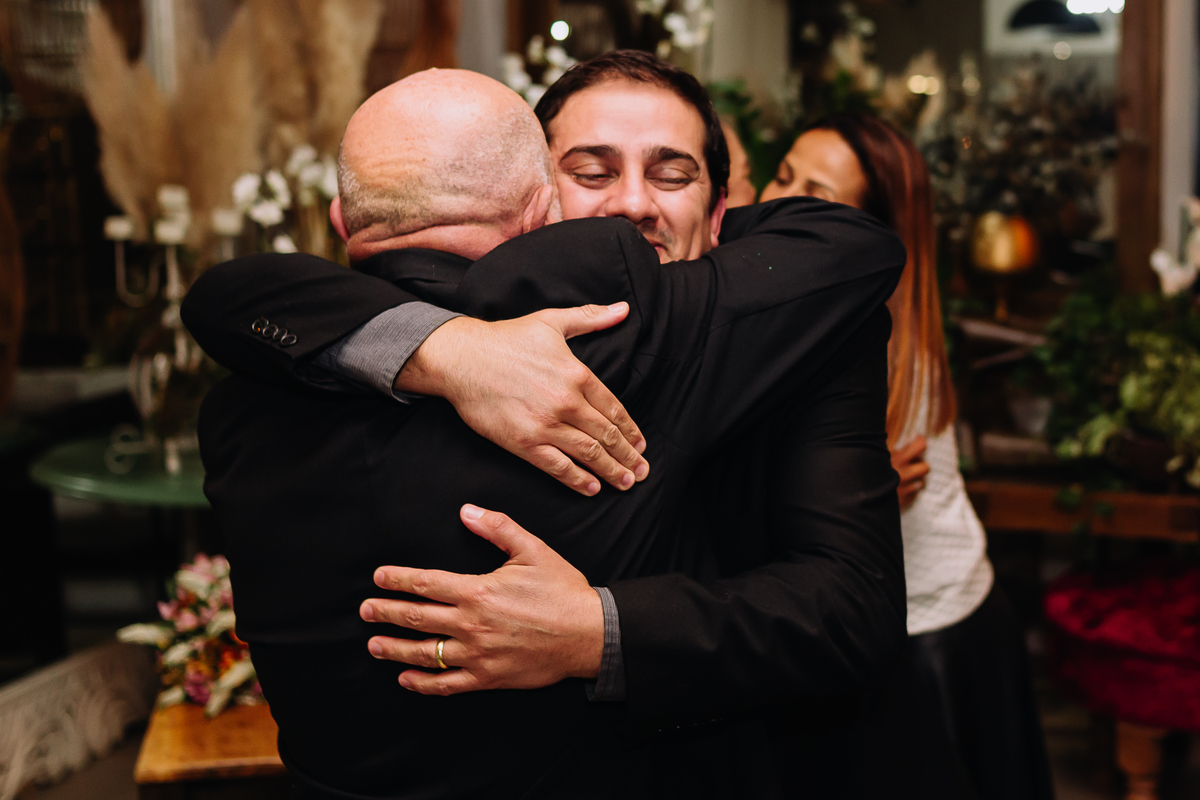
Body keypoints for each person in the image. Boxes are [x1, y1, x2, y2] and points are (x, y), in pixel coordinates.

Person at [187, 67, 911, 799]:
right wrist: (447, 349)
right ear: (539, 199)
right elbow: (230, 296)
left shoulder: (800, 332)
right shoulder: (603, 330)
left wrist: (599, 631)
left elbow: (853, 608)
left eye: (673, 175)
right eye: (591, 171)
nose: (631, 205)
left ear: (722, 210)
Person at [760, 112, 1055, 800]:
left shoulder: (867, 328)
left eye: (816, 193)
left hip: (934, 633)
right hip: (923, 621)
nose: (780, 201)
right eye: (782, 175)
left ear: (872, 229)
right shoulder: (826, 297)